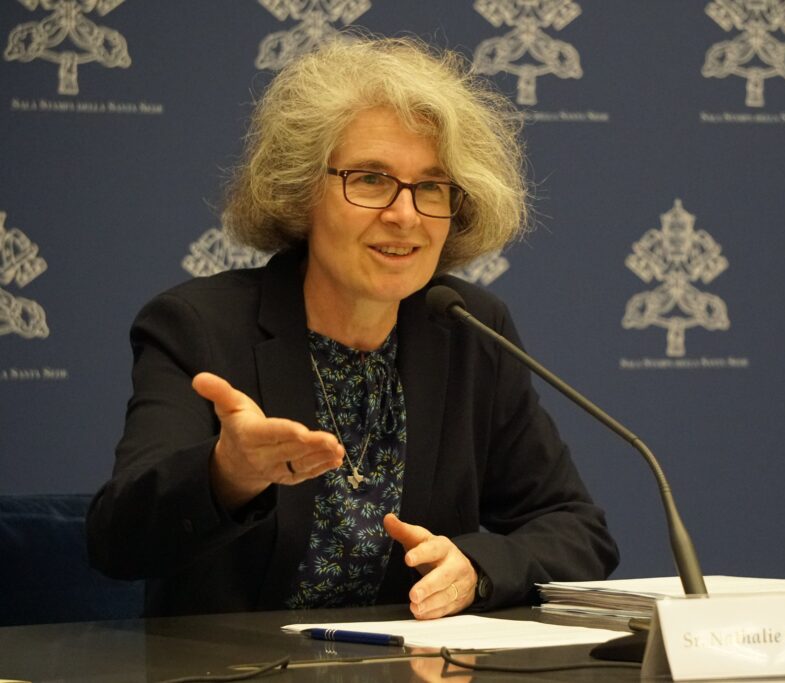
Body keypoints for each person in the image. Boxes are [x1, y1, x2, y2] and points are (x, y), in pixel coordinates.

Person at [87, 35, 618, 619]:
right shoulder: (201, 328)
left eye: (432, 187)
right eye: (369, 179)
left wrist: (480, 568)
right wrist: (226, 475)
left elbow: (576, 531)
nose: (405, 214)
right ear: (300, 193)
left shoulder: (467, 329)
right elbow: (117, 542)